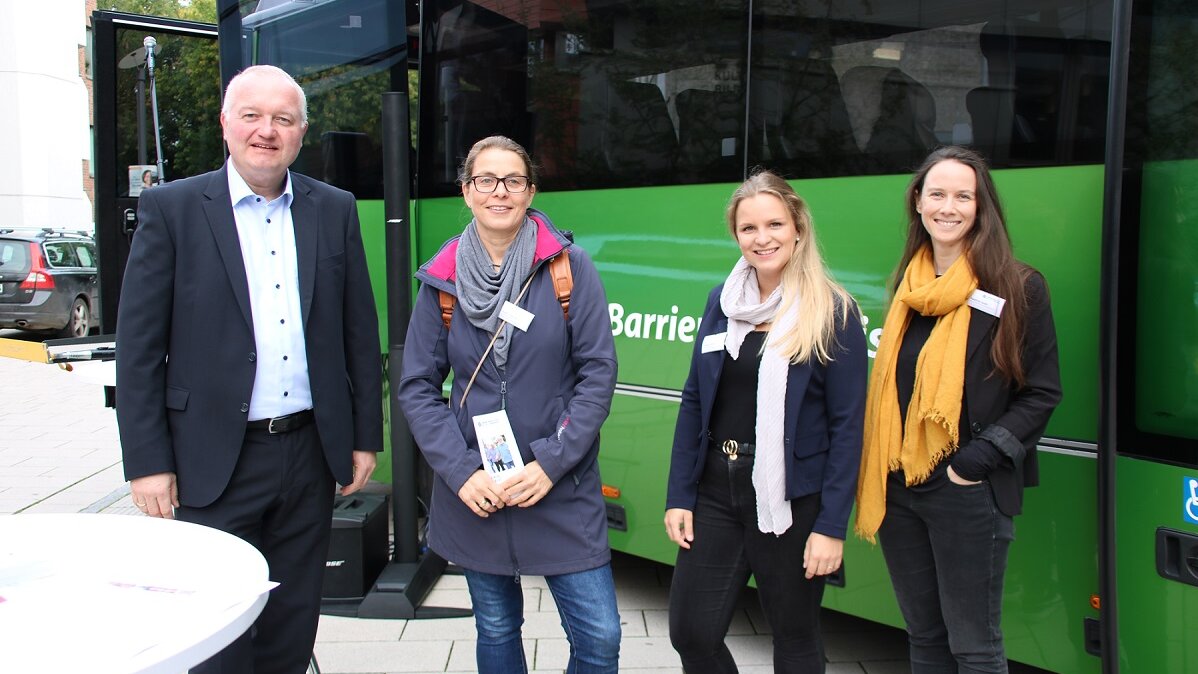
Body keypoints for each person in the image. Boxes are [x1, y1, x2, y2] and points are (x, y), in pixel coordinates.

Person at [116, 64, 383, 674]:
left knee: (292, 626)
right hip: (211, 457)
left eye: (283, 119)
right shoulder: (172, 209)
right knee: (216, 633)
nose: (268, 130)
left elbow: (358, 333)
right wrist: (148, 462)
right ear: (226, 125)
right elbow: (137, 350)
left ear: (301, 132)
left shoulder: (333, 208)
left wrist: (366, 436)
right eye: (253, 116)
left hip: (309, 452)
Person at [397, 135, 620, 673]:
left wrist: (551, 461)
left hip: (558, 485)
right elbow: (418, 388)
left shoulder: (570, 268)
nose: (500, 191)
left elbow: (598, 374)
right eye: (486, 180)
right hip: (477, 490)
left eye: (513, 180)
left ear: (530, 191)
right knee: (496, 627)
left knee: (600, 638)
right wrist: (461, 472)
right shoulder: (442, 280)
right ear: (467, 192)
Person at [855, 146, 1061, 673]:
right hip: (900, 485)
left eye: (963, 195)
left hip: (967, 490)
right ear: (918, 203)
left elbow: (1041, 393)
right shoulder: (911, 285)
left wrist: (975, 461)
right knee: (924, 637)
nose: (949, 207)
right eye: (937, 194)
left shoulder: (1018, 286)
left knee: (974, 646)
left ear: (980, 207)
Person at [665, 170, 867, 672]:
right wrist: (679, 495)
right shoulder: (721, 302)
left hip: (792, 499)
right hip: (715, 488)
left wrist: (831, 527)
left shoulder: (833, 310)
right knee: (692, 632)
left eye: (774, 224)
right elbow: (695, 401)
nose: (763, 238)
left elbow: (848, 428)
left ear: (798, 227)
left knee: (795, 637)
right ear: (736, 235)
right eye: (749, 228)